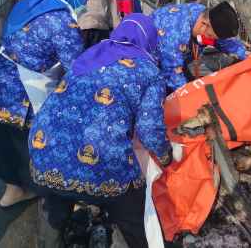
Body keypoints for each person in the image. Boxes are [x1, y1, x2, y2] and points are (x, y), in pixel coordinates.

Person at [29, 14, 173, 248]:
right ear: (149, 41)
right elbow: (149, 129)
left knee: (55, 204)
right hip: (103, 164)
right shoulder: (149, 71)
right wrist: (166, 155)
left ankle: (50, 240)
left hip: (44, 151)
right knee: (134, 213)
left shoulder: (90, 55)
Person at [0, 0, 96, 208]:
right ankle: (49, 196)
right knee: (30, 142)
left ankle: (12, 190)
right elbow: (76, 68)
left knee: (2, 137)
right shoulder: (61, 21)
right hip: (21, 91)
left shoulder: (33, 2)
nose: (86, 1)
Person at [151, 1, 249, 92]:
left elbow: (224, 42)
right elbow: (173, 75)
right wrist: (196, 97)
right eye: (210, 36)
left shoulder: (204, 15)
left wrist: (245, 56)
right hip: (152, 63)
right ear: (204, 24)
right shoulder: (174, 34)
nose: (211, 40)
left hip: (178, 57)